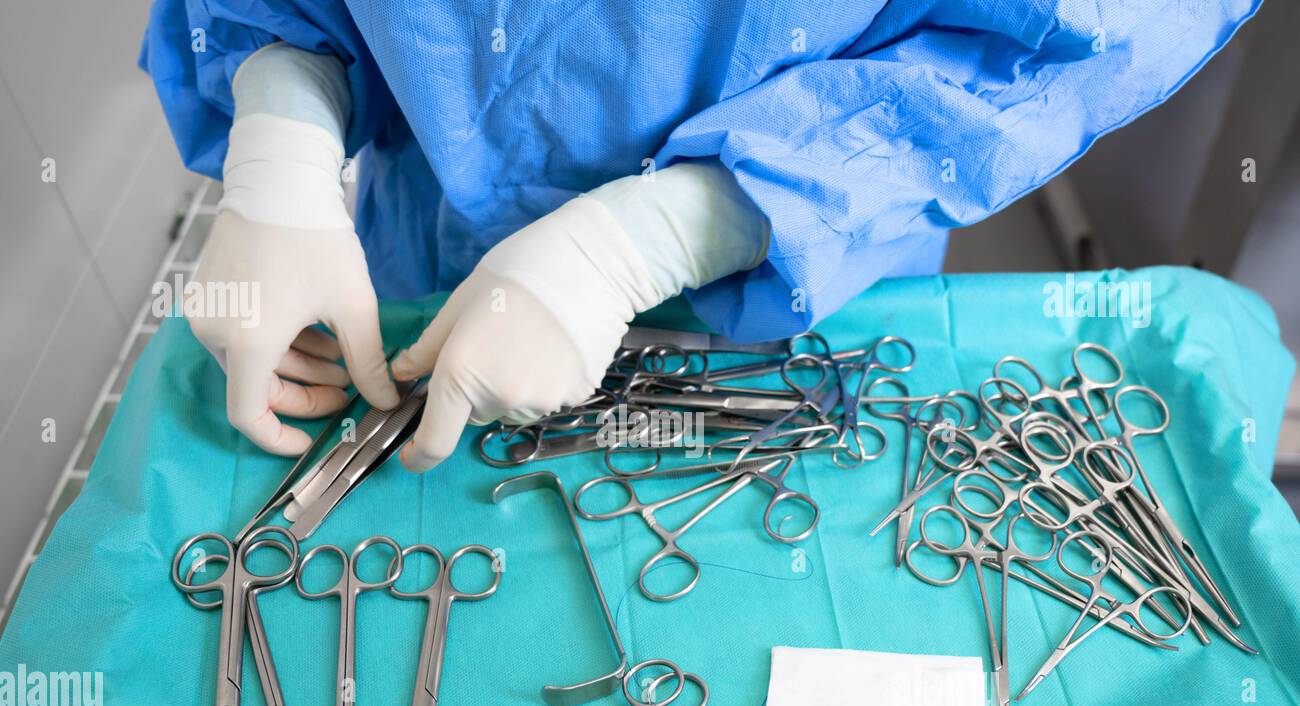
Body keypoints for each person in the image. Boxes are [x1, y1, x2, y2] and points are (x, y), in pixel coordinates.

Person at [142, 0, 1258, 471]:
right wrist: (281, 139)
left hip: (801, 293)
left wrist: (654, 237)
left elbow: (1078, 34)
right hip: (433, 250)